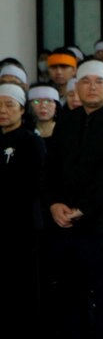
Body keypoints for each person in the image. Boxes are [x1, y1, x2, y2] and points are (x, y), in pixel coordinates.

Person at [43, 59, 103, 339]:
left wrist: (82, 208)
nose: (92, 88)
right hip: (66, 223)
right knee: (70, 294)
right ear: (76, 87)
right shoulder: (68, 121)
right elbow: (51, 169)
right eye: (85, 82)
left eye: (98, 82)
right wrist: (54, 203)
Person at [0, 83, 46, 320]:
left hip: (22, 224)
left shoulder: (31, 142)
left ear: (21, 109)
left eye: (9, 105)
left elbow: (34, 185)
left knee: (24, 286)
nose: (3, 110)